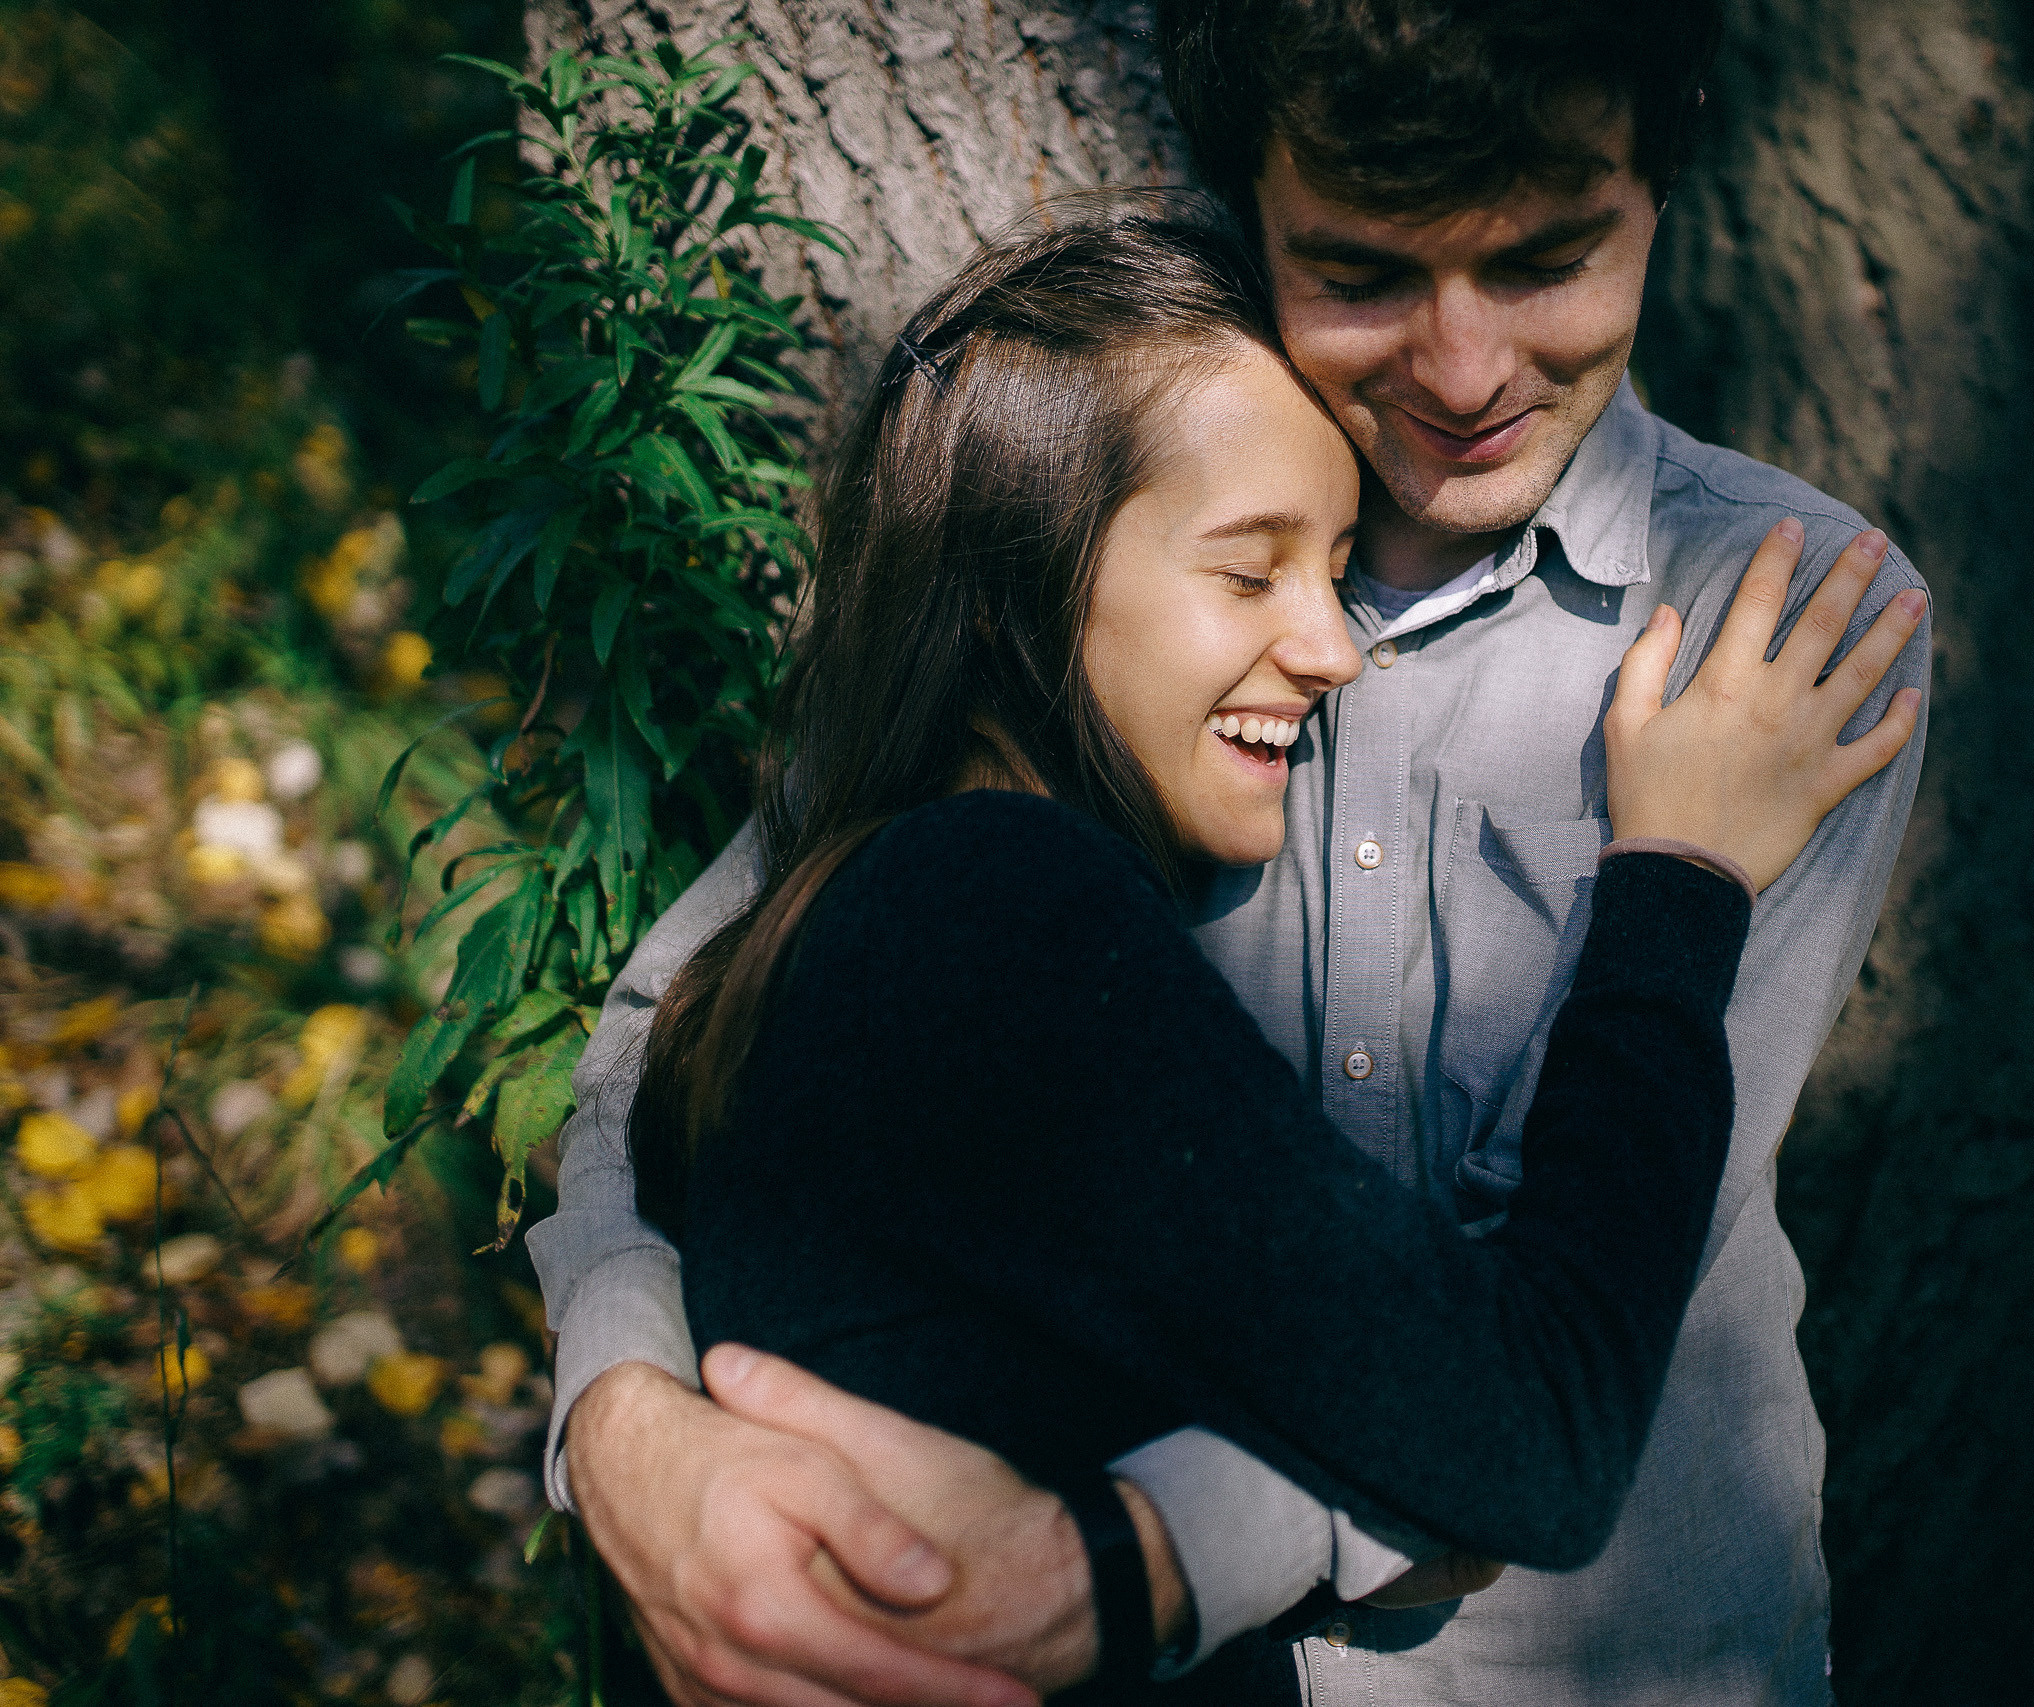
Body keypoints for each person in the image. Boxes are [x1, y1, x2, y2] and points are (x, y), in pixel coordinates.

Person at [525, 3, 1936, 1703]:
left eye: (1551, 258)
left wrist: (1121, 1562)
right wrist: (628, 1432)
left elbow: (1551, 1356)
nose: (1465, 371)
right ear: (1248, 210)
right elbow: (671, 1046)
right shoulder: (1084, 522)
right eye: (1357, 274)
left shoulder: (1776, 629)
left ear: (1668, 180)